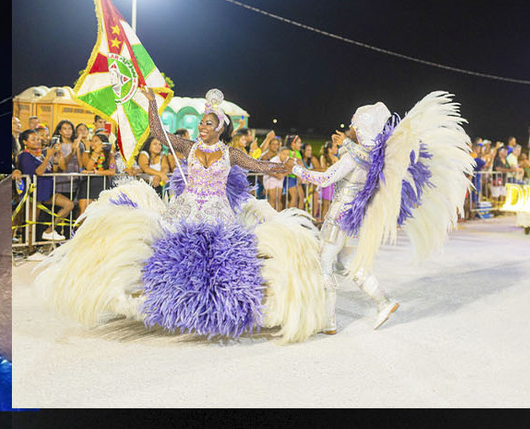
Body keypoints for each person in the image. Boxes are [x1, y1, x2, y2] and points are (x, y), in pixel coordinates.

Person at [37, 88, 323, 343]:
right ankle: (162, 300)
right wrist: (152, 103)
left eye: (207, 123)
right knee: (166, 253)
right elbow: (158, 132)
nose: (202, 126)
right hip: (185, 207)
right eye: (201, 122)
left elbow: (260, 166)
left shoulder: (231, 153)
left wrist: (283, 166)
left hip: (216, 211)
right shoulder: (189, 147)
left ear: (220, 128)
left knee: (213, 261)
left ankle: (211, 310)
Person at [287, 94, 474, 332]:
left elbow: (324, 179)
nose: (350, 128)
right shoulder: (371, 156)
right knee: (349, 264)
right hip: (354, 220)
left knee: (323, 263)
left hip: (338, 218)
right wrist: (344, 143)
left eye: (353, 125)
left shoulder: (353, 157)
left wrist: (294, 169)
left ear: (361, 128)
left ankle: (329, 321)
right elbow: (355, 155)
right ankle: (384, 302)